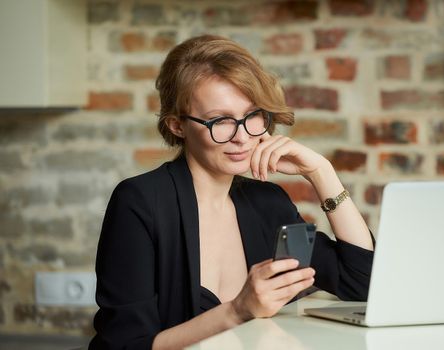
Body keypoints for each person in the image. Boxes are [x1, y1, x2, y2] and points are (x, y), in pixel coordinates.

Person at [89, 34, 374, 350]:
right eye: (219, 121)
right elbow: (126, 346)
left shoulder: (268, 202)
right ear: (177, 126)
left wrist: (322, 173)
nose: (241, 137)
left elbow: (363, 283)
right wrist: (240, 309)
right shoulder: (140, 202)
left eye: (252, 115)